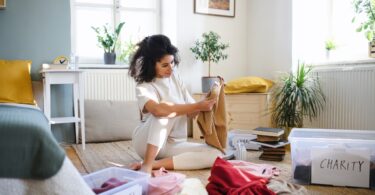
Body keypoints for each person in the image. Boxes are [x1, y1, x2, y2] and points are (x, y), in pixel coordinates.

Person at [128, 34, 223, 174]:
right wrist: (198, 106)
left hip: (174, 144)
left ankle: (154, 164)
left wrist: (210, 97)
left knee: (216, 154)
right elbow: (158, 110)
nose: (171, 68)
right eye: (165, 65)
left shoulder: (175, 77)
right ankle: (147, 164)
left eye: (172, 62)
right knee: (166, 111)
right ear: (151, 64)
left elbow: (191, 113)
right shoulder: (144, 86)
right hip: (147, 143)